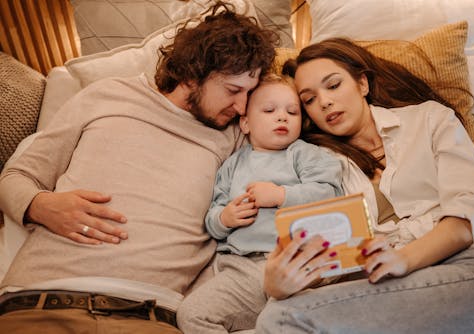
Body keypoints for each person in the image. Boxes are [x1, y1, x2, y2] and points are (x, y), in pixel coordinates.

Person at [0, 2, 279, 333]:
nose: (242, 106)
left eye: (250, 93)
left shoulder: (235, 134)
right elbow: (16, 176)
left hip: (150, 316)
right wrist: (39, 206)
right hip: (41, 304)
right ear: (193, 73)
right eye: (233, 90)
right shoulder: (107, 95)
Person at [256, 38, 474, 333]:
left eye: (333, 85)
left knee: (280, 319)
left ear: (362, 84)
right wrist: (279, 284)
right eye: (309, 99)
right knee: (277, 309)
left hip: (470, 266)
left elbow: (469, 219)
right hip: (386, 282)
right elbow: (334, 256)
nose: (324, 102)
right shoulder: (319, 167)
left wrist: (404, 258)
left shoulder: (430, 119)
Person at [176, 73, 344, 333]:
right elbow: (212, 217)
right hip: (245, 270)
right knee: (191, 315)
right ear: (245, 123)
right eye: (269, 110)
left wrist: (281, 195)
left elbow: (331, 195)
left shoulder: (304, 154)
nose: (282, 116)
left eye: (292, 112)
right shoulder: (232, 165)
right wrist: (224, 219)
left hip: (300, 265)